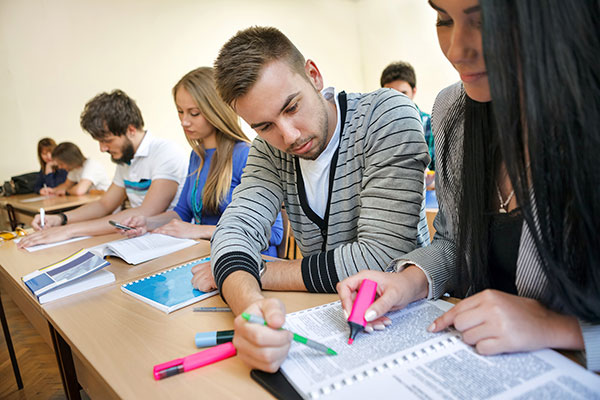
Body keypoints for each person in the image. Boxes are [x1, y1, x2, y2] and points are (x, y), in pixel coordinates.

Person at [338, 0, 599, 373]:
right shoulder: (452, 111)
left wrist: (554, 326)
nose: (456, 51)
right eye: (443, 19)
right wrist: (407, 282)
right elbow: (455, 243)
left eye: (485, 21)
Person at [194, 26, 431, 371]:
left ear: (314, 76)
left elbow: (382, 256)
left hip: (402, 323)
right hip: (325, 318)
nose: (288, 136)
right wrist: (250, 308)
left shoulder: (386, 114)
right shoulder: (268, 150)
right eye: (264, 126)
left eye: (291, 107)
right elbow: (234, 232)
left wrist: (259, 270)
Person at [121, 67, 284, 256]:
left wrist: (199, 231)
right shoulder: (197, 156)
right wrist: (147, 222)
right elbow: (182, 213)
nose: (184, 121)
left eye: (194, 113)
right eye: (180, 112)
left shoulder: (247, 155)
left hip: (247, 260)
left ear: (215, 110)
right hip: (207, 253)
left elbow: (275, 233)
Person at [18, 90, 187, 248]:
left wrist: (70, 230)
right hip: (142, 238)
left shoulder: (165, 152)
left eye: (107, 140)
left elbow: (147, 211)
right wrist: (61, 219)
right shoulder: (126, 160)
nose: (102, 149)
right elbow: (104, 204)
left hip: (172, 240)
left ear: (131, 130)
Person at [381, 61, 435, 188]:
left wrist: (429, 180)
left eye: (403, 93)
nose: (397, 100)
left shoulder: (431, 124)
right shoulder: (377, 128)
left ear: (413, 91)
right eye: (390, 94)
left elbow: (444, 176)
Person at [40, 142, 110, 196]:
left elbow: (79, 190)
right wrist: (52, 190)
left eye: (61, 164)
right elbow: (66, 185)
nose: (60, 167)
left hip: (106, 202)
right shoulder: (74, 168)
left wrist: (66, 192)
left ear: (70, 160)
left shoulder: (91, 165)